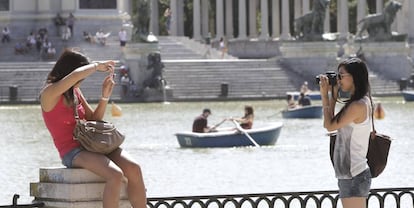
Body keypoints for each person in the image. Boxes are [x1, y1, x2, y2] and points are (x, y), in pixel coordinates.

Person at [39, 49, 147, 208]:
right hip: (72, 151)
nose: (82, 80)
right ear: (70, 70)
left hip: (92, 144)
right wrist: (96, 66)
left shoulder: (75, 92)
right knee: (115, 175)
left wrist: (104, 96)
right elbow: (76, 75)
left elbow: (94, 120)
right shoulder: (49, 93)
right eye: (82, 75)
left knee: (134, 168)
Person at [319, 57, 372, 208]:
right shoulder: (359, 102)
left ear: (354, 77)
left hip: (354, 174)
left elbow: (329, 126)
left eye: (341, 76)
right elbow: (329, 124)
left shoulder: (358, 105)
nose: (339, 80)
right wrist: (333, 98)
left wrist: (325, 96)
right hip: (350, 174)